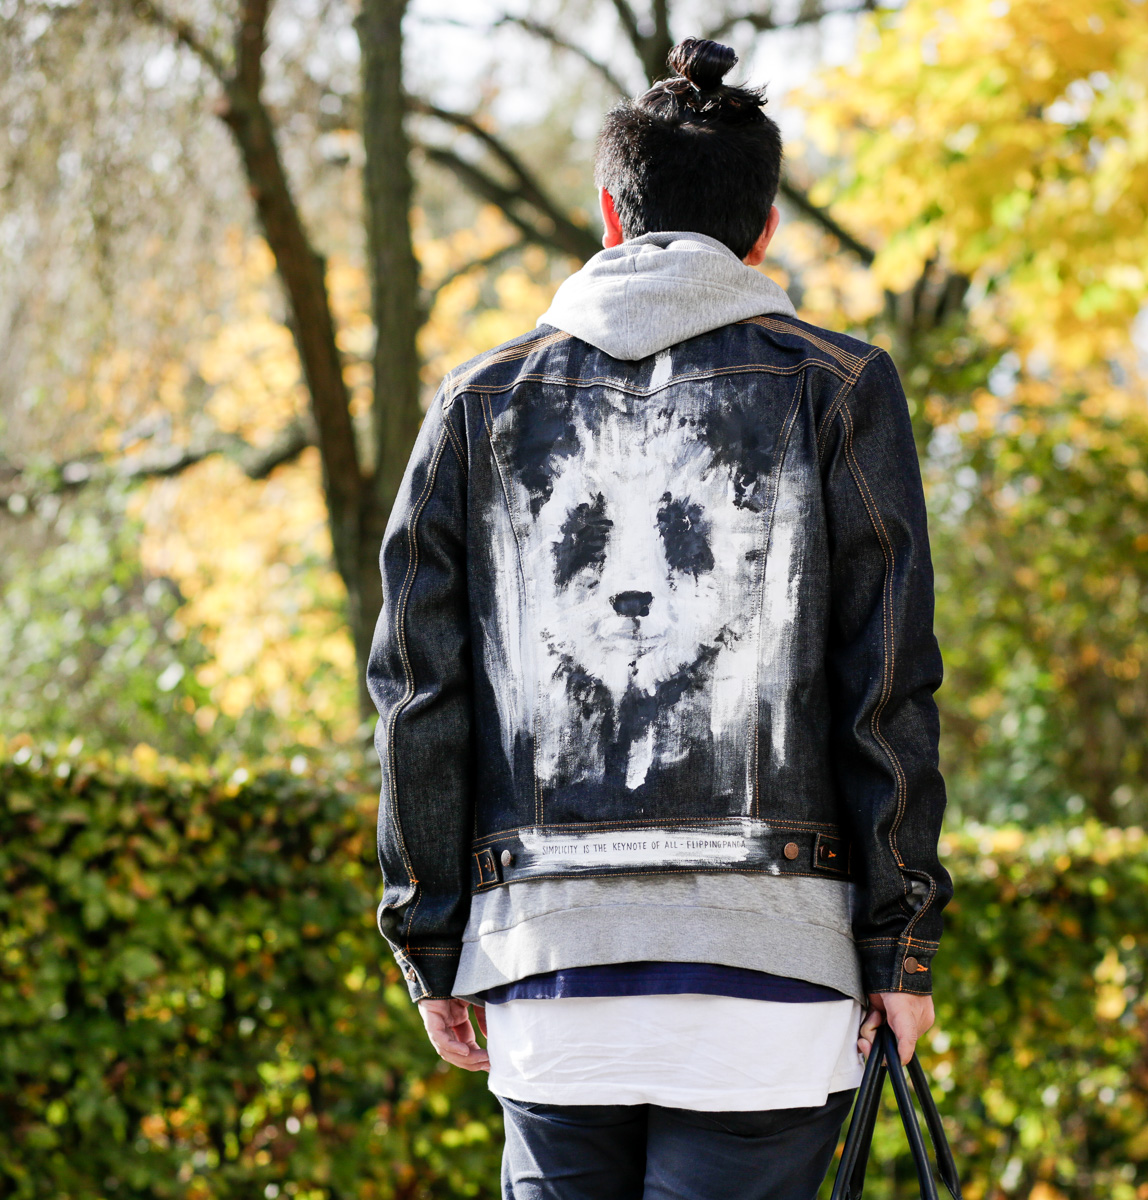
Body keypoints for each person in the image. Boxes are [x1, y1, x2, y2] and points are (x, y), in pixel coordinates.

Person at [368, 35, 950, 1200]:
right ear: (764, 229)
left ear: (609, 215)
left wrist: (428, 936)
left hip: (548, 968)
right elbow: (885, 684)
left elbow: (420, 696)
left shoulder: (477, 403)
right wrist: (902, 943)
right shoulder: (841, 386)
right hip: (774, 974)